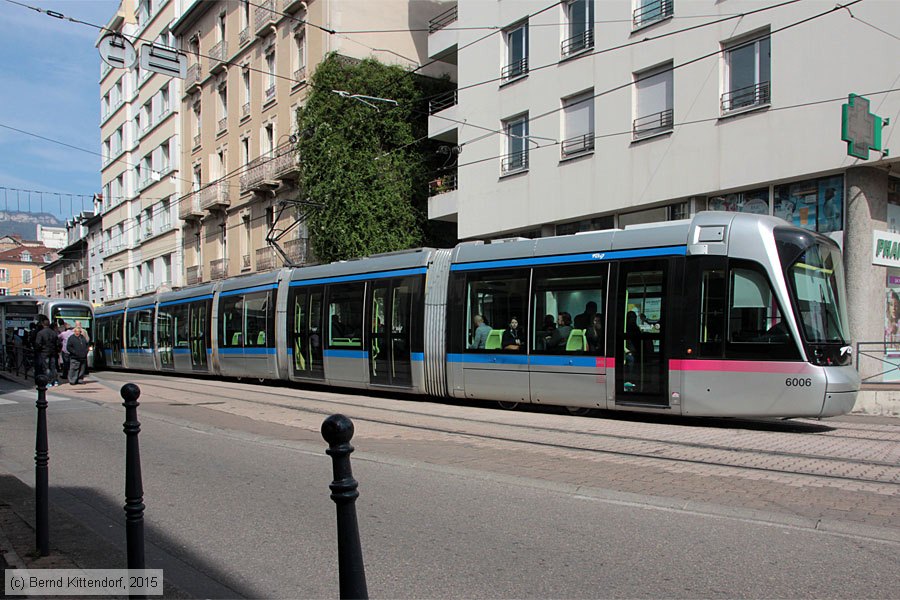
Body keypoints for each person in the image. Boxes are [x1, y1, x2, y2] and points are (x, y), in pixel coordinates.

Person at [33, 317, 59, 385]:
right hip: (53, 352)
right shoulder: (54, 333)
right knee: (53, 367)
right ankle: (55, 381)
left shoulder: (40, 333)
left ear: (42, 324)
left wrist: (38, 350)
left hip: (44, 352)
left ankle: (48, 381)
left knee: (46, 367)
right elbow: (58, 343)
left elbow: (37, 344)